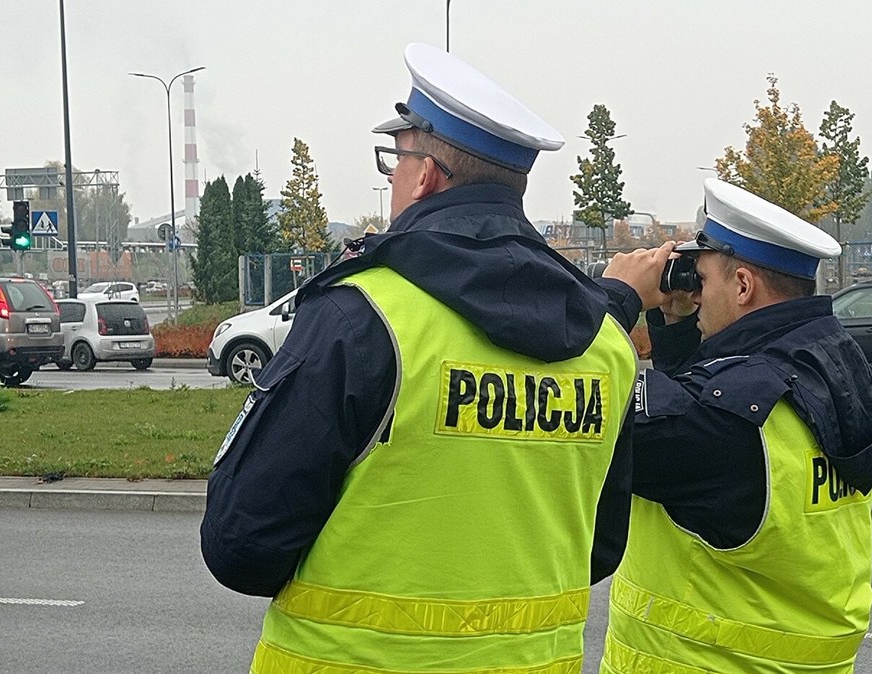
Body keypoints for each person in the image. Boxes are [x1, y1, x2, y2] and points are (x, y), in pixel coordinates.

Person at [201, 42, 639, 673]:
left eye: (395, 161)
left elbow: (240, 544)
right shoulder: (605, 343)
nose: (391, 180)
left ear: (427, 173)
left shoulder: (363, 316)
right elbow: (599, 550)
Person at [596, 178, 872, 674]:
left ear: (742, 285)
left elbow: (587, 417)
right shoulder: (845, 374)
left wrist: (615, 298)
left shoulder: (725, 418)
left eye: (705, 280)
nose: (697, 294)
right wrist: (674, 332)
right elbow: (703, 450)